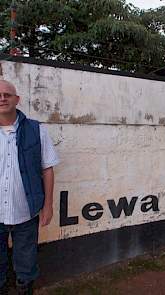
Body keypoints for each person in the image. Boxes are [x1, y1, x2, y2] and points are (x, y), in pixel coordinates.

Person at [0, 80, 59, 295]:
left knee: (26, 266)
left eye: (7, 94)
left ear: (17, 100)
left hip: (26, 212)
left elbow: (47, 169)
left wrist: (48, 206)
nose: (2, 98)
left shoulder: (36, 129)